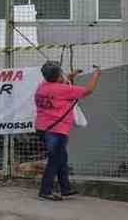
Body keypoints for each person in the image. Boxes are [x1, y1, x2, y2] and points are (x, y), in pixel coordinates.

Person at [34, 62, 101, 201]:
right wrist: (96, 75)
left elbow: (58, 81)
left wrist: (71, 74)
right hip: (56, 132)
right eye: (61, 73)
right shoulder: (62, 90)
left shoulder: (42, 86)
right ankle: (45, 191)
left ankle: (65, 188)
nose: (64, 74)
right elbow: (88, 90)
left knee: (61, 159)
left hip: (43, 128)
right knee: (54, 161)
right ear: (58, 76)